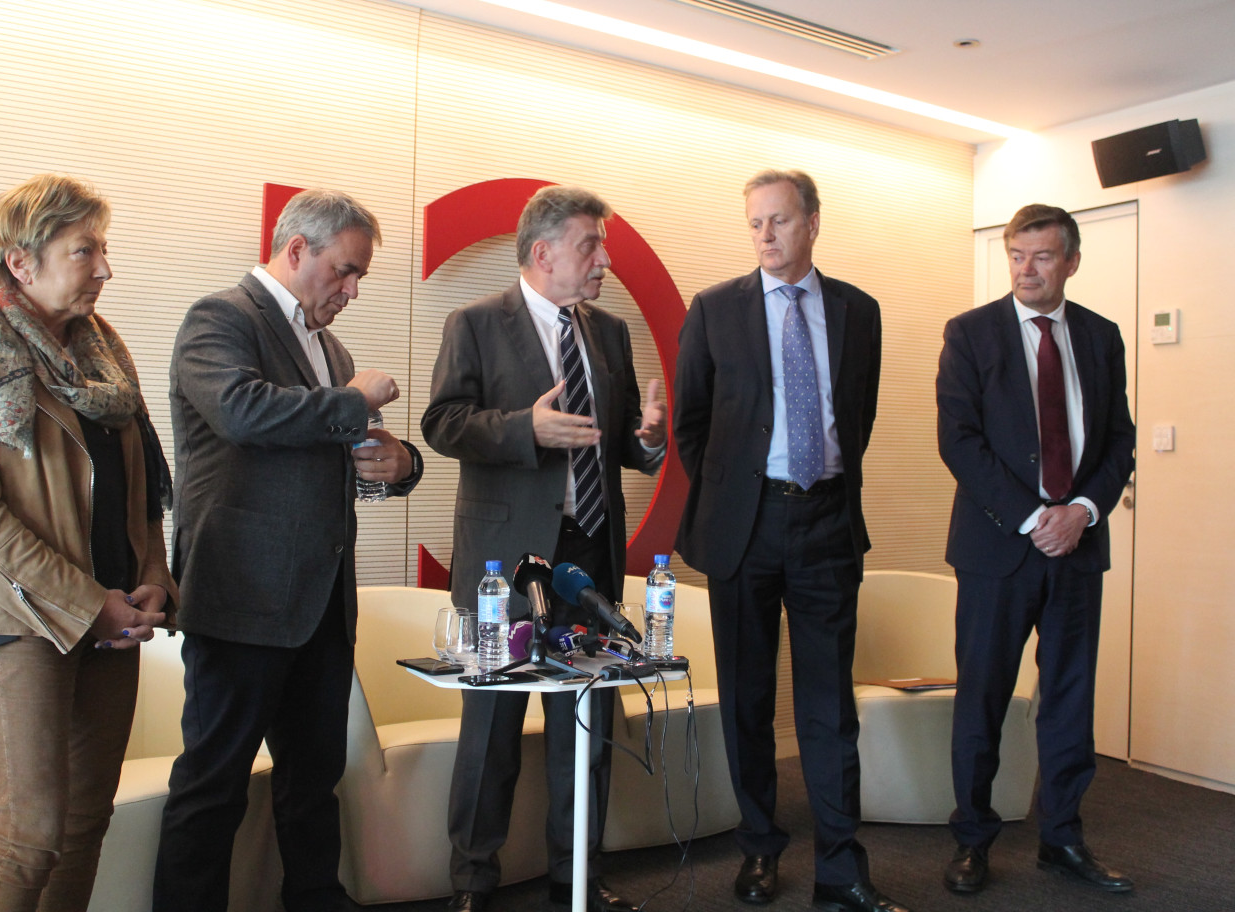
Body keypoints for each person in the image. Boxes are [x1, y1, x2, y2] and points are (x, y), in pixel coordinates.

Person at [0, 173, 176, 911]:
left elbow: (141, 489)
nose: (105, 268)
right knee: (30, 833)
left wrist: (154, 576)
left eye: (103, 249)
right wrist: (87, 603)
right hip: (22, 620)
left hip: (114, 618)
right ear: (22, 261)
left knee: (87, 825)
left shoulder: (104, 360)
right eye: (84, 250)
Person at [153, 189, 423, 912]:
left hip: (321, 598)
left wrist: (400, 467)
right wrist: (357, 401)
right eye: (344, 271)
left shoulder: (329, 346)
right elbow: (243, 412)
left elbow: (322, 452)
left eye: (359, 275)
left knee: (314, 783)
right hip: (241, 595)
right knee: (214, 785)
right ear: (296, 249)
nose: (353, 290)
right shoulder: (221, 317)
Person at [422, 185, 666, 912]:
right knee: (491, 729)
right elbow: (443, 424)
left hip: (588, 558)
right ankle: (472, 881)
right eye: (592, 245)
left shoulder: (611, 333)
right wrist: (524, 429)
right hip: (505, 565)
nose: (605, 261)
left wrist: (647, 440)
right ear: (543, 252)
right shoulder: (475, 324)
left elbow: (617, 439)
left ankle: (578, 877)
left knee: (586, 726)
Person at [674, 170, 910, 912]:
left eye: (779, 220)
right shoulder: (714, 310)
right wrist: (742, 494)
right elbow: (693, 428)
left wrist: (819, 485)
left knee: (827, 703)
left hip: (828, 522)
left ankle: (841, 868)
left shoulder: (857, 311)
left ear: (812, 222)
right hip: (745, 527)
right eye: (754, 224)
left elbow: (857, 417)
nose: (765, 235)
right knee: (747, 698)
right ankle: (759, 850)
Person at [937, 204, 1136, 895]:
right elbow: (959, 441)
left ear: (1071, 261)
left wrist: (1080, 511)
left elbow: (1119, 441)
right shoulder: (970, 334)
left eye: (1042, 256)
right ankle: (972, 839)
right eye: (1016, 254)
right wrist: (1034, 518)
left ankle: (1063, 838)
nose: (1026, 268)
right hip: (998, 550)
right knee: (983, 698)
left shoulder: (1102, 337)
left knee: (1070, 700)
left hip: (1079, 550)